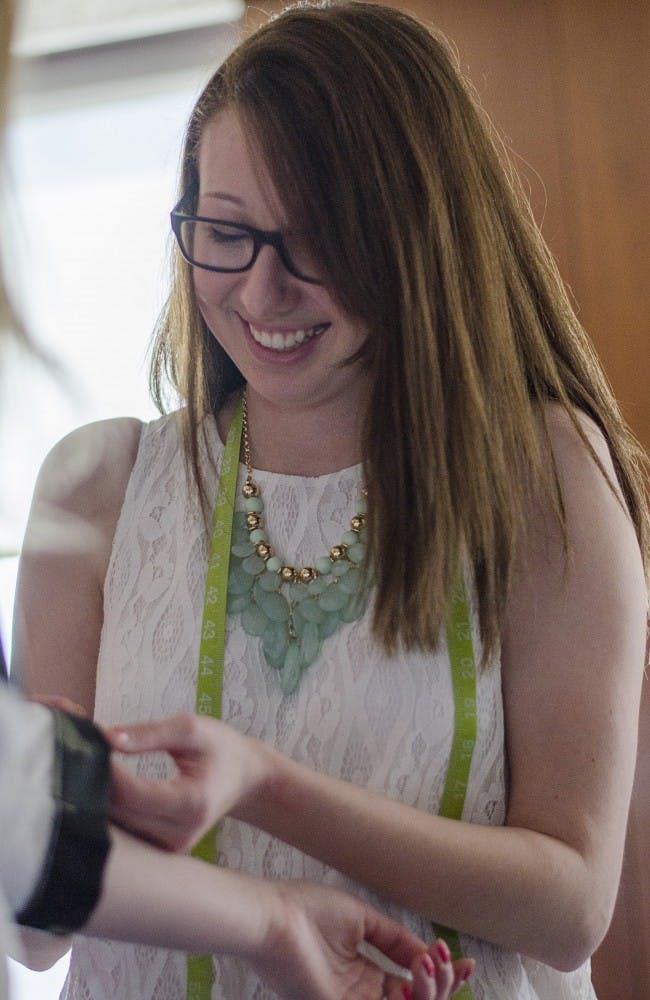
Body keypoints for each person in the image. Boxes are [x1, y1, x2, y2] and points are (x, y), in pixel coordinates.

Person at [12, 1, 648, 998]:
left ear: (419, 236)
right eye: (225, 233)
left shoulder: (543, 471)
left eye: (315, 242)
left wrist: (263, 784)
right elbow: (35, 928)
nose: (261, 294)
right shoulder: (94, 487)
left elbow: (568, 911)